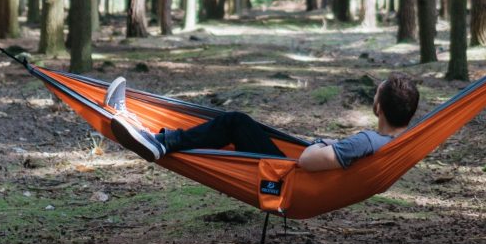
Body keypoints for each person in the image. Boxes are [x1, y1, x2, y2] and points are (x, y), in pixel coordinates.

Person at [102, 73, 419, 170]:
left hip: (287, 180)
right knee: (232, 125)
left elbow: (308, 161)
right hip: (298, 179)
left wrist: (327, 143)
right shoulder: (398, 144)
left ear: (378, 106)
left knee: (235, 122)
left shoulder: (366, 142)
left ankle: (159, 142)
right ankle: (157, 139)